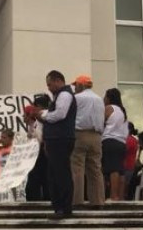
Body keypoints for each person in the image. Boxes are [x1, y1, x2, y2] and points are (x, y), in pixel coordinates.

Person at [40, 70, 77, 217]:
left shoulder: (65, 95)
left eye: (49, 84)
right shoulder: (59, 96)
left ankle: (64, 207)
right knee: (54, 174)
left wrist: (43, 114)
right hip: (56, 139)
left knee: (60, 174)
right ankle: (59, 206)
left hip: (60, 139)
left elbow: (60, 115)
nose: (48, 88)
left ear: (57, 81)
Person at [71, 75, 106, 206]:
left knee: (77, 168)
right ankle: (97, 201)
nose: (74, 88)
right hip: (96, 136)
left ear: (81, 85)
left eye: (76, 85)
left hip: (80, 134)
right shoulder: (99, 99)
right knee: (96, 169)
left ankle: (77, 200)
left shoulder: (76, 98)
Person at [101, 89, 129, 201]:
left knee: (112, 170)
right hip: (121, 142)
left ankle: (113, 196)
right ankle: (120, 196)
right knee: (120, 170)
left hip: (109, 140)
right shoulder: (122, 111)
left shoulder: (109, 108)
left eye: (105, 96)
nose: (104, 99)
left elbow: (100, 122)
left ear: (109, 98)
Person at [24, 94, 51, 202]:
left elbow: (40, 137)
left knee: (43, 178)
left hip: (44, 152)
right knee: (36, 180)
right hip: (38, 153)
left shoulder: (46, 118)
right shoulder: (36, 123)